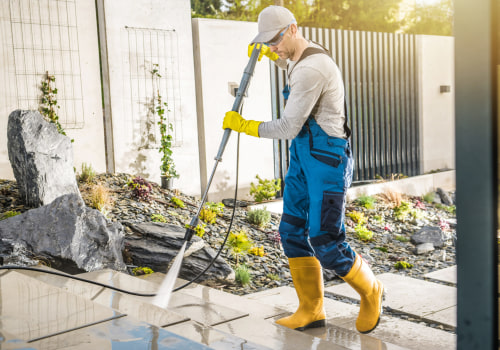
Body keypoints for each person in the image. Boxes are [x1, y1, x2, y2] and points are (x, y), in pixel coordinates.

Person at [222, 5, 384, 334]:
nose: (272, 47)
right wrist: (273, 57)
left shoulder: (314, 68)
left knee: (325, 239)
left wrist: (244, 126)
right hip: (302, 159)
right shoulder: (297, 56)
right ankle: (311, 309)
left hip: (326, 160)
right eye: (266, 43)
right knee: (292, 231)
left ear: (293, 29)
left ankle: (371, 291)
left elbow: (287, 127)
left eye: (275, 41)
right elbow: (289, 61)